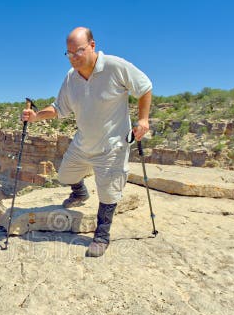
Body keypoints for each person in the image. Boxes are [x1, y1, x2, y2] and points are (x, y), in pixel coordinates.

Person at [22, 26, 152, 257]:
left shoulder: (115, 66)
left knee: (109, 193)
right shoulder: (71, 78)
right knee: (65, 176)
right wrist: (36, 116)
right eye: (69, 53)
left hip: (112, 145)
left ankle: (102, 236)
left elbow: (145, 87)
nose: (73, 58)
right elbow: (59, 108)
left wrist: (143, 119)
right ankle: (80, 192)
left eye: (78, 52)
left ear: (92, 46)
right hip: (83, 144)